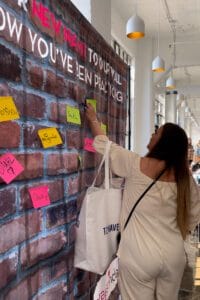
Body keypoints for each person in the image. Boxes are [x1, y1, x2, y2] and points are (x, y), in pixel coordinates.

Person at [85, 104, 200, 300]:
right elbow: (193, 218)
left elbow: (106, 147)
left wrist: (93, 119)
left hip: (138, 255)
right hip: (173, 255)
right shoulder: (185, 179)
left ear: (163, 143)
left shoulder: (135, 164)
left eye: (157, 133)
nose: (152, 135)